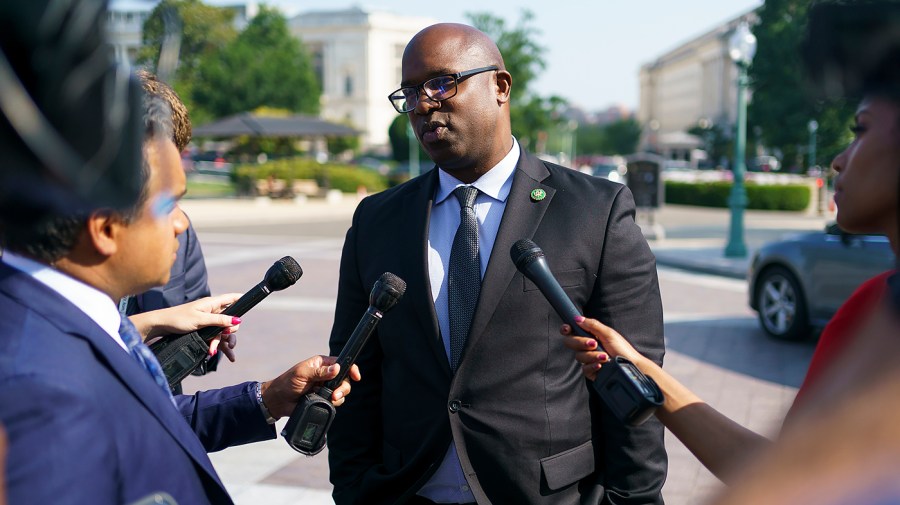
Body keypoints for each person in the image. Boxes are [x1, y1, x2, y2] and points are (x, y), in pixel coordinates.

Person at [562, 1, 900, 486]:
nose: (840, 160)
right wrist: (636, 367)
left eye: (861, 130)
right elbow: (780, 473)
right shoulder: (871, 307)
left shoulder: (877, 320)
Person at [327, 23, 667, 505]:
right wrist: (354, 487)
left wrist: (633, 499)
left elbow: (636, 375)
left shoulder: (596, 211)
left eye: (441, 84)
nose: (423, 105)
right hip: (406, 492)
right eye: (409, 94)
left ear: (500, 87)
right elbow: (352, 372)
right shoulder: (377, 220)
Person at [0, 92, 359, 504]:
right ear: (105, 228)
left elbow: (151, 419)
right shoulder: (33, 388)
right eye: (170, 202)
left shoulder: (76, 322)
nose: (181, 223)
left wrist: (270, 397)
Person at [128, 70, 227, 391]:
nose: (180, 221)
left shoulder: (180, 234)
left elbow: (195, 368)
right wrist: (149, 324)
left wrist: (203, 337)